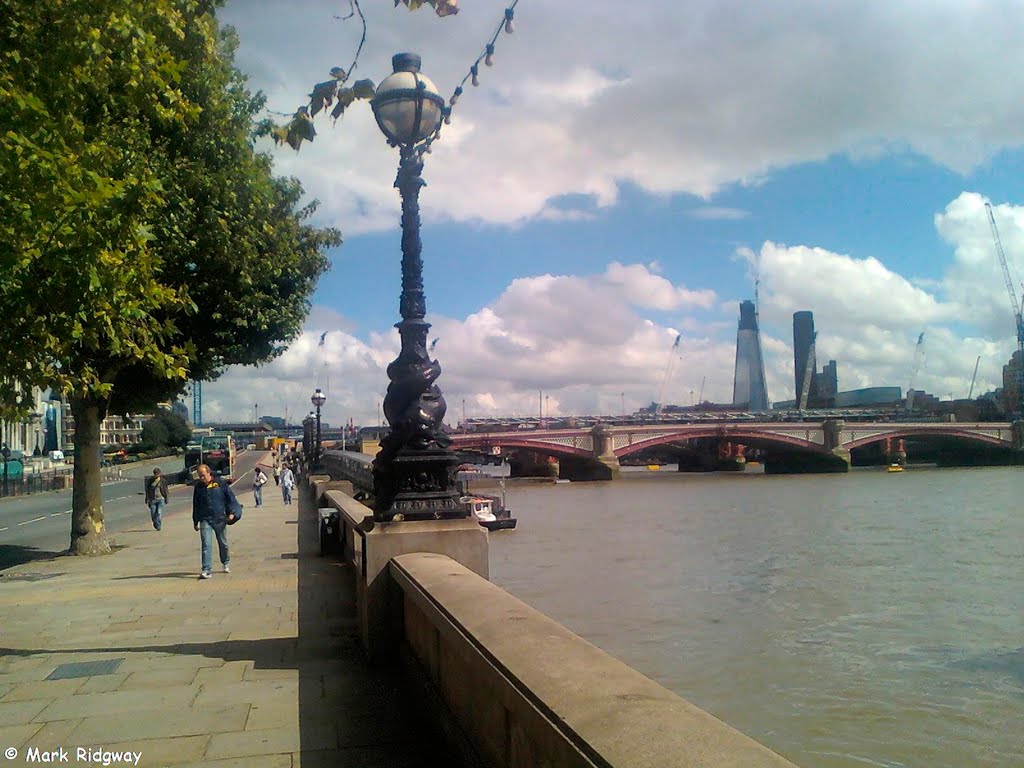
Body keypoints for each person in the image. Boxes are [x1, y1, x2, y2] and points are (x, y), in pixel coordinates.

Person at [192, 463, 239, 579]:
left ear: (208, 473)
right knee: (206, 544)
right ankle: (206, 569)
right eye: (199, 476)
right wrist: (195, 521)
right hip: (205, 519)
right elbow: (196, 505)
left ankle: (225, 561)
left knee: (223, 543)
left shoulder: (220, 483)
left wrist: (232, 513)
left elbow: (229, 498)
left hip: (219, 518)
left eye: (203, 475)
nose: (201, 478)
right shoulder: (198, 487)